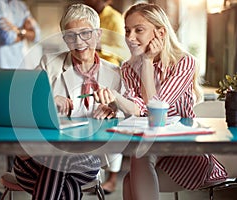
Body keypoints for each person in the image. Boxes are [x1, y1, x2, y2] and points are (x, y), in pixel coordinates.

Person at [94, 3, 228, 200]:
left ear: (160, 33)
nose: (130, 38)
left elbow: (156, 107)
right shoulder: (129, 68)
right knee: (134, 170)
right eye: (127, 30)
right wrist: (116, 99)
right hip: (153, 151)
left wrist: (147, 63)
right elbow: (139, 108)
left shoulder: (184, 63)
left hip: (185, 151)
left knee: (134, 172)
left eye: (138, 30)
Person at [12, 4, 122, 200]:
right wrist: (47, 102)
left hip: (87, 161)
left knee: (61, 156)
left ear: (98, 34)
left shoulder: (114, 74)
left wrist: (115, 110)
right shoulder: (49, 64)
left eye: (85, 33)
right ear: (64, 39)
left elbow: (128, 118)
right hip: (34, 160)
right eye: (70, 36)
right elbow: (23, 106)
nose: (78, 42)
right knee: (68, 187)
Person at [0, 0, 41, 199]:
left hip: (19, 75)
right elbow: (5, 36)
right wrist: (23, 31)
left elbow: (36, 34)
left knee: (16, 130)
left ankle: (14, 178)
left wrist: (19, 31)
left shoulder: (19, 6)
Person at [83, 0, 125, 194]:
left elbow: (122, 50)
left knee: (111, 126)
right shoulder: (85, 16)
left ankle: (112, 178)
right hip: (88, 72)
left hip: (109, 75)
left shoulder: (115, 19)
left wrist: (98, 47)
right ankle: (91, 173)